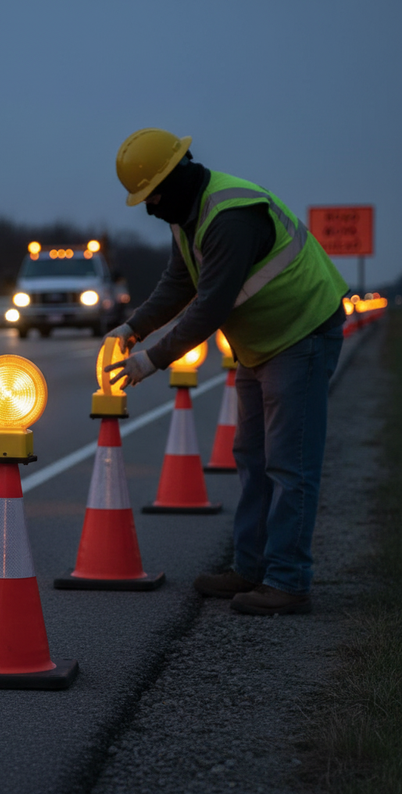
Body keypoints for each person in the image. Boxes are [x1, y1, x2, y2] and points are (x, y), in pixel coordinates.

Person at [104, 128, 348, 616]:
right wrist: (132, 328)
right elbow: (179, 283)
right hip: (262, 344)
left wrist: (148, 359)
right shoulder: (187, 216)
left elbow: (209, 306)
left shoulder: (230, 216)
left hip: (302, 332)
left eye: (151, 197)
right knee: (252, 457)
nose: (150, 209)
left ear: (174, 180)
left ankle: (287, 580)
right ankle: (251, 568)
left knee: (288, 463)